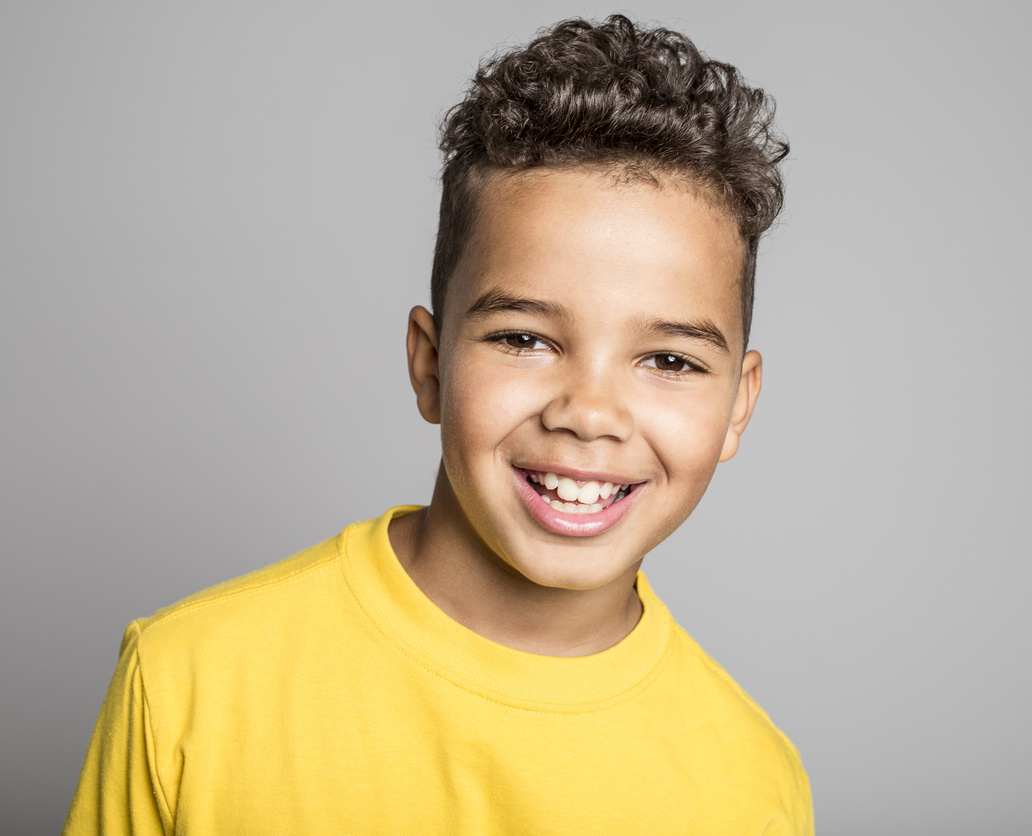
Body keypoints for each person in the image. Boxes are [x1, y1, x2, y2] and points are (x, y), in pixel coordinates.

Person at [63, 15, 812, 834]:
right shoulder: (187, 685)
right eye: (525, 339)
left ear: (738, 404)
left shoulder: (753, 785)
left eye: (669, 361)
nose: (589, 415)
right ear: (429, 363)